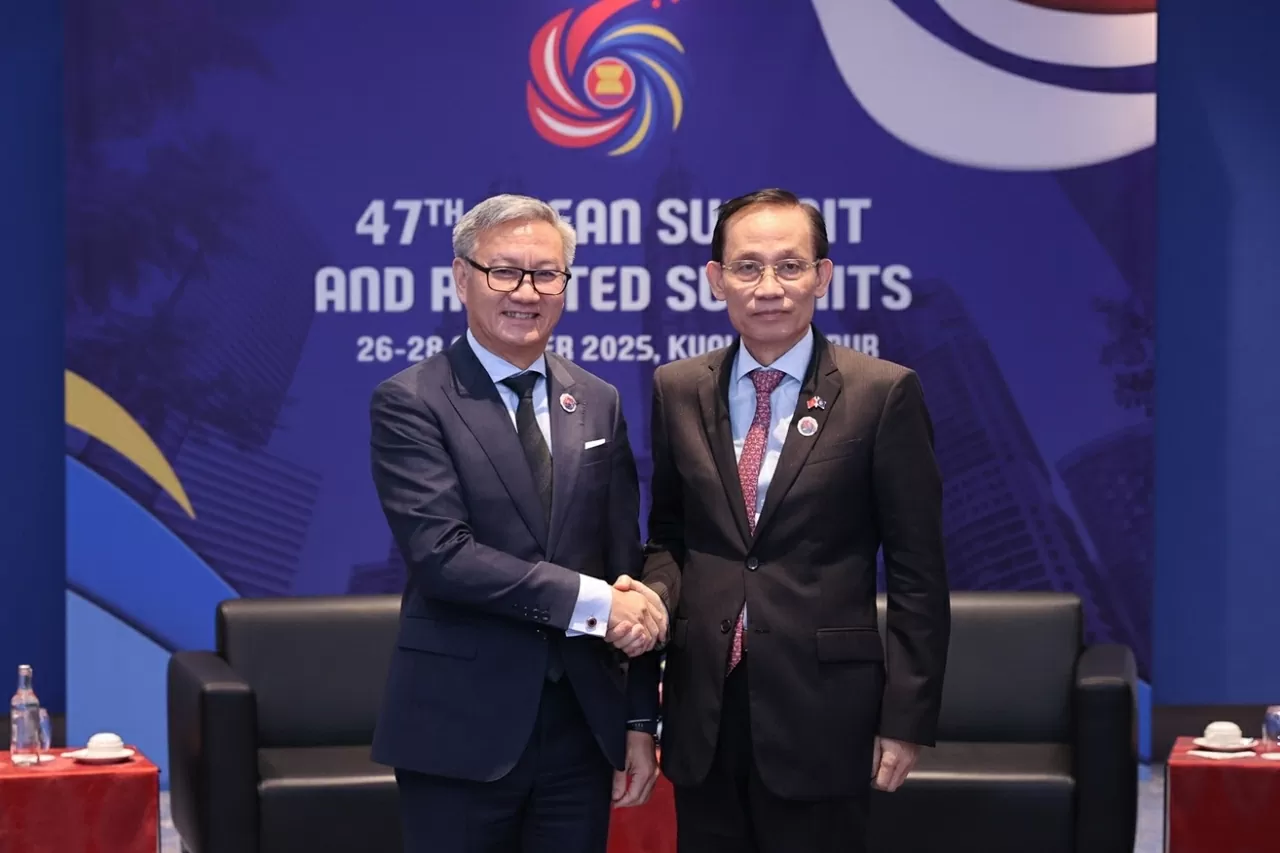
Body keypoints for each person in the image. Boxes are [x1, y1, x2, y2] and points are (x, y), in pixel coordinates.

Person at [632, 188, 950, 852]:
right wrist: (654, 602)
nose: (768, 286)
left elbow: (919, 572)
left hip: (824, 709)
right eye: (747, 267)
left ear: (822, 276)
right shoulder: (675, 389)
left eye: (790, 265)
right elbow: (668, 536)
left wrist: (907, 716)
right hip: (704, 707)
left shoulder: (882, 393)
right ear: (716, 279)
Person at [369, 194, 668, 853]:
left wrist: (641, 721)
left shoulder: (598, 401)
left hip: (579, 729)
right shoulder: (411, 400)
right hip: (458, 729)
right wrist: (594, 603)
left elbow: (627, 563)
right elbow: (443, 555)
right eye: (504, 271)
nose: (525, 292)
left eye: (546, 273)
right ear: (461, 276)